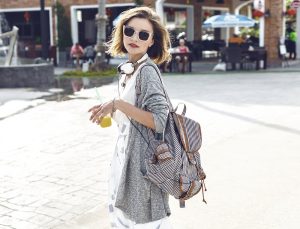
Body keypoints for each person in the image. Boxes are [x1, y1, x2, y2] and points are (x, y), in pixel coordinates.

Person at [88, 7, 173, 228]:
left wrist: (118, 104)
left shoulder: (147, 71)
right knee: (122, 217)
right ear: (122, 33)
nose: (134, 38)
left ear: (151, 41)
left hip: (143, 163)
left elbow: (159, 121)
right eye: (130, 31)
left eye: (143, 34)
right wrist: (111, 108)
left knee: (140, 221)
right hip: (125, 157)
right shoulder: (129, 70)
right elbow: (132, 112)